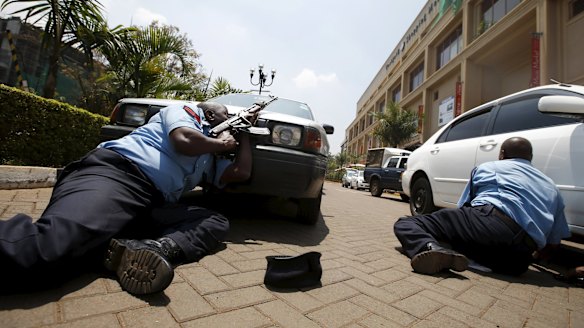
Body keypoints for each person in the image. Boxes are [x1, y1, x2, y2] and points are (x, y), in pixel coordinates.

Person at [0, 101, 254, 295]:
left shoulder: (210, 154)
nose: (231, 121)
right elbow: (184, 140)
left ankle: (151, 248)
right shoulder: (185, 112)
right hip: (117, 176)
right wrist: (222, 144)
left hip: (153, 202)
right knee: (46, 250)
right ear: (210, 115)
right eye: (228, 117)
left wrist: (244, 134)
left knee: (214, 221)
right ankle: (103, 246)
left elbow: (240, 172)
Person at [394, 137, 571, 276]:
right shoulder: (552, 187)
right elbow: (553, 245)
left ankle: (430, 248)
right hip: (517, 262)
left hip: (489, 223)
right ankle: (452, 254)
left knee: (407, 224)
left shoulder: (490, 167)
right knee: (467, 244)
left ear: (502, 154)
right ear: (530, 158)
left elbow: (465, 207)